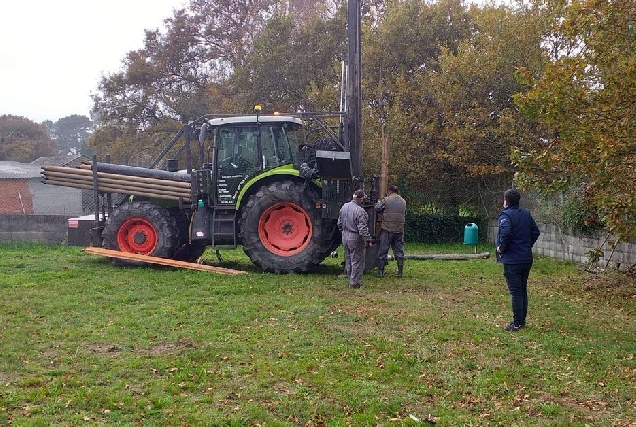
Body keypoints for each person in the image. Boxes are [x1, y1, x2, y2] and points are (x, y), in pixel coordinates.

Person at [496, 189, 541, 332]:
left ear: (506, 201)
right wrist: (527, 245)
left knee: (515, 292)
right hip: (526, 258)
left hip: (512, 260)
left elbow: (506, 232)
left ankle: (516, 323)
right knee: (522, 290)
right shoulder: (526, 214)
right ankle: (521, 320)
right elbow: (535, 232)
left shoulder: (506, 216)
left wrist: (501, 248)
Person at [338, 189, 373, 288]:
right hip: (355, 237)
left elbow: (339, 223)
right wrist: (368, 240)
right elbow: (362, 228)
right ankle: (355, 283)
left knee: (348, 259)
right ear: (361, 199)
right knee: (357, 261)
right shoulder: (360, 211)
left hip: (345, 235)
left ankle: (350, 279)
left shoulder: (344, 207)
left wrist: (344, 232)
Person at [374, 184, 407, 277]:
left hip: (387, 229)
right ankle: (400, 272)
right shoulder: (403, 201)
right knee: (399, 251)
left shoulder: (386, 200)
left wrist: (379, 201)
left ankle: (380, 272)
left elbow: (377, 208)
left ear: (390, 191)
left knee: (383, 251)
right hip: (399, 230)